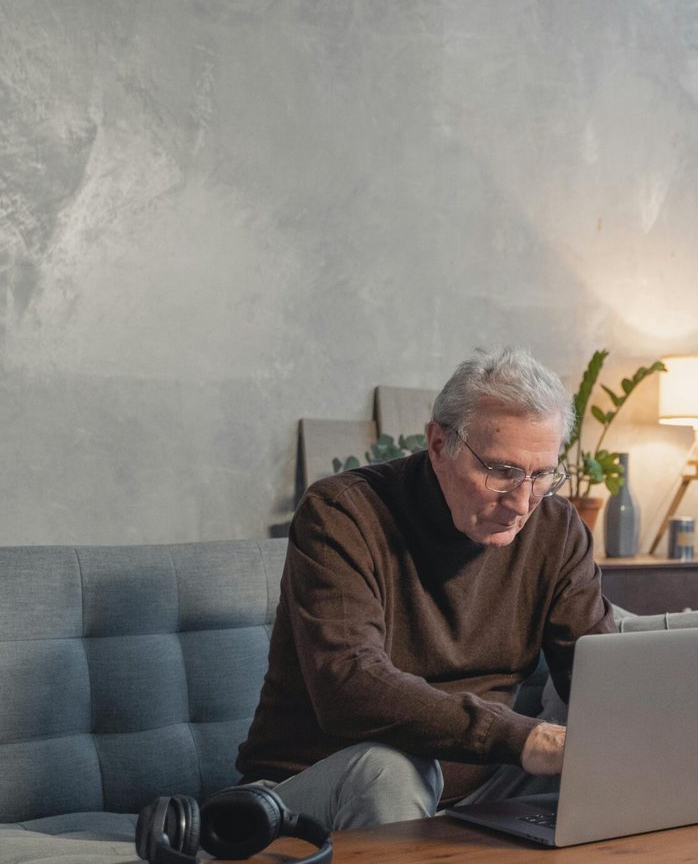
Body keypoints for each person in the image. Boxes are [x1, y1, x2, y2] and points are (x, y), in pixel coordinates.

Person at [234, 347, 613, 830]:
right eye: (501, 471)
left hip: (477, 792)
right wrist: (524, 738)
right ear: (438, 445)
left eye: (541, 475)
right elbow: (350, 687)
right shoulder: (341, 513)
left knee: (607, 768)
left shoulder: (556, 529)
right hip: (314, 788)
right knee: (391, 770)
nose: (521, 502)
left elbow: (601, 675)